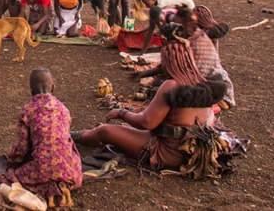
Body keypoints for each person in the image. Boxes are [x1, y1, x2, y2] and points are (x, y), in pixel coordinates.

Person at [75, 37, 233, 174]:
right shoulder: (202, 81)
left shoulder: (172, 85)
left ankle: (72, 136)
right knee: (127, 128)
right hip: (198, 150)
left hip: (171, 153)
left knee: (105, 130)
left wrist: (121, 113)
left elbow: (146, 123)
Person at [2, 68, 82, 208]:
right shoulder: (64, 109)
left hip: (41, 169)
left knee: (9, 176)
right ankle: (61, 184)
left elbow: (21, 149)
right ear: (53, 87)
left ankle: (47, 185)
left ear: (32, 91)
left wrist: (12, 161)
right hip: (70, 171)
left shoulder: (28, 110)